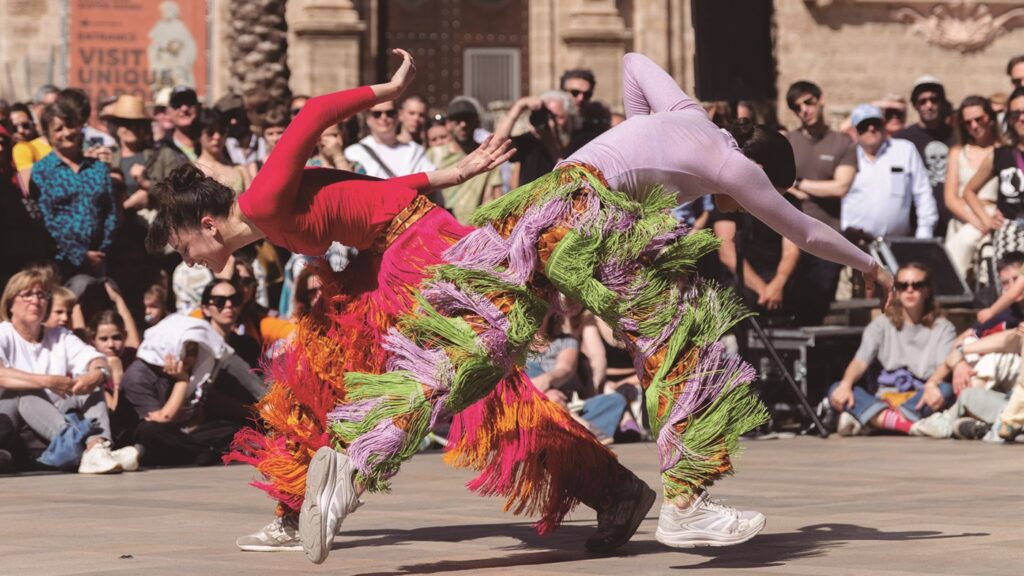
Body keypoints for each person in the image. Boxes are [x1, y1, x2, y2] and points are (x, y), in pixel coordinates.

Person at [311, 51, 893, 563]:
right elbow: (806, 232)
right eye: (758, 196)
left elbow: (635, 63)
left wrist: (640, 132)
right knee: (684, 347)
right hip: (590, 218)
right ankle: (687, 504)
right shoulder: (736, 165)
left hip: (536, 209)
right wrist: (872, 267)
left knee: (472, 352)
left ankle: (353, 465)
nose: (744, 205)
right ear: (763, 171)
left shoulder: (686, 112)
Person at [145, 50, 525, 553]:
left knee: (446, 376)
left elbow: (315, 111)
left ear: (208, 226)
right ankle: (292, 510)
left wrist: (391, 91)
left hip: (413, 245)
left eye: (183, 249)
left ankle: (346, 480)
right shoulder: (265, 221)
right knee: (305, 383)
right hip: (377, 259)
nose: (188, 261)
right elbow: (362, 192)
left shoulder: (262, 199)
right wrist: (451, 175)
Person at [0, 268, 138, 473]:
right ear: (11, 302)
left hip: (56, 410)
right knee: (25, 390)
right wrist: (45, 381)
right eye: (27, 294)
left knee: (91, 382)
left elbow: (95, 359)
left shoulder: (59, 335)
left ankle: (96, 448)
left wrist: (98, 373)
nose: (36, 301)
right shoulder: (4, 333)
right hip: (17, 412)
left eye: (41, 295)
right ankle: (77, 445)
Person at [829, 263, 955, 436]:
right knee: (837, 388)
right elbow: (860, 361)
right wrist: (845, 384)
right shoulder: (880, 324)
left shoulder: (943, 327)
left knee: (945, 390)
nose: (909, 290)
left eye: (917, 285)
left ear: (927, 291)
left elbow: (945, 365)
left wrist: (932, 384)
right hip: (884, 397)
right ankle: (908, 425)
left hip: (919, 396)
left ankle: (873, 419)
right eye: (902, 285)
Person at [784, 80, 856, 323]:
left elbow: (841, 187)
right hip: (791, 238)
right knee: (787, 309)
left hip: (827, 238)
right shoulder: (787, 141)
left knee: (818, 309)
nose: (805, 110)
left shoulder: (842, 143)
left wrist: (799, 183)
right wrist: (800, 188)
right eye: (798, 107)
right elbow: (776, 183)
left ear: (821, 100)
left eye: (809, 102)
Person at [31, 100, 117, 278]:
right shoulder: (42, 171)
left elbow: (110, 211)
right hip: (60, 263)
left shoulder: (98, 168)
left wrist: (101, 253)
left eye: (71, 126)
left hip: (100, 261)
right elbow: (45, 219)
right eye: (58, 129)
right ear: (47, 135)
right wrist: (79, 255)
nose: (67, 133)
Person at [841, 104, 937, 239]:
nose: (871, 128)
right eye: (864, 125)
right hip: (853, 243)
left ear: (884, 126)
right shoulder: (845, 155)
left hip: (896, 241)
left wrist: (924, 234)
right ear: (854, 132)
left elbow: (923, 193)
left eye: (876, 123)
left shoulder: (904, 150)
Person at [961, 87, 1024, 263]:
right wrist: (987, 220)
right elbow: (969, 191)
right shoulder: (1001, 155)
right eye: (1015, 114)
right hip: (1011, 235)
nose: (1021, 118)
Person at [943, 96, 1001, 279]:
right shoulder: (958, 152)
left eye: (979, 119)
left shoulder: (1004, 151)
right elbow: (950, 198)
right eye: (968, 122)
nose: (974, 126)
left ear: (990, 117)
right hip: (964, 218)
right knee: (960, 252)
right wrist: (976, 222)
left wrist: (986, 221)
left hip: (994, 216)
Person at [895, 76, 957, 237]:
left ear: (941, 102)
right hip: (915, 226)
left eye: (933, 100)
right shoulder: (902, 139)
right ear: (915, 105)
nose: (929, 106)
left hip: (953, 224)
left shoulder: (957, 136)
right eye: (922, 101)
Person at [428, 97, 503, 224]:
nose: (463, 124)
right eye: (457, 120)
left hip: (475, 230)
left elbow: (495, 196)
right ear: (448, 124)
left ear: (477, 122)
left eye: (468, 119)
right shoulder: (434, 155)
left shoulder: (487, 156)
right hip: (441, 228)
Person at [344, 99, 435, 179]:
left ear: (398, 116)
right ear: (368, 118)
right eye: (377, 114)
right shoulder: (354, 152)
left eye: (389, 113)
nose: (384, 117)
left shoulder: (415, 150)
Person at [194, 109, 251, 196]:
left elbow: (251, 202)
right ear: (198, 135)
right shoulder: (191, 171)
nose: (217, 137)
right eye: (210, 132)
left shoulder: (241, 170)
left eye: (222, 131)